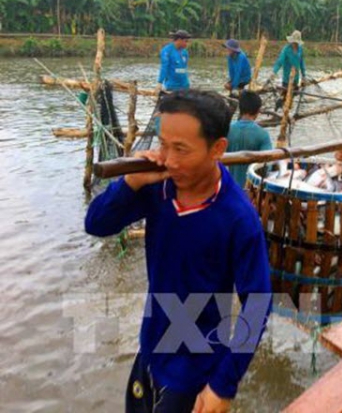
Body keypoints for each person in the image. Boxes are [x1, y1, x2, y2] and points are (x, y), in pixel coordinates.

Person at [85, 90, 272, 413]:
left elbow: (257, 303)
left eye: (181, 149)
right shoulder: (158, 188)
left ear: (218, 149)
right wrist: (131, 182)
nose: (168, 160)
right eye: (163, 144)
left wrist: (223, 385)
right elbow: (97, 224)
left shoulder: (238, 218)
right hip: (151, 347)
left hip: (195, 366)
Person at [226, 90, 273, 187]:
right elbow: (267, 166)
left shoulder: (227, 129)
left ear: (240, 108)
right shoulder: (263, 134)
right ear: (258, 111)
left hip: (231, 187)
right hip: (251, 190)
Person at [271, 30, 306, 109]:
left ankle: (286, 114)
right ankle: (282, 111)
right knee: (285, 97)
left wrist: (304, 75)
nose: (294, 44)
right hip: (287, 78)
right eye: (293, 42)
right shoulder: (286, 49)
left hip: (296, 79)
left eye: (296, 43)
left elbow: (301, 63)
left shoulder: (300, 49)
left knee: (291, 98)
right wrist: (274, 72)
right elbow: (280, 61)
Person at [156, 29, 191, 93]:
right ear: (179, 40)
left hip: (185, 86)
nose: (187, 44)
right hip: (172, 87)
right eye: (185, 41)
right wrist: (160, 82)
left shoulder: (185, 52)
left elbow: (184, 68)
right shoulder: (167, 51)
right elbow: (164, 67)